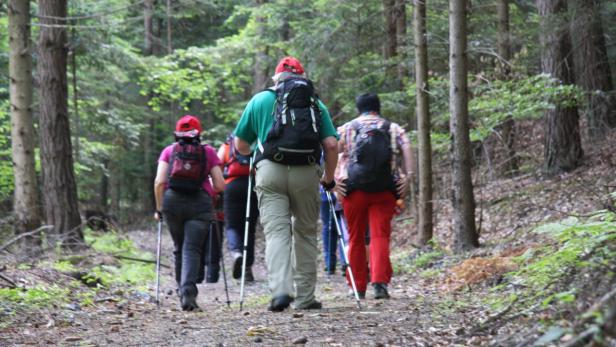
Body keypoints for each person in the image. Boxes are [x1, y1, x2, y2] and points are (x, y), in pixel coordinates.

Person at [233, 56, 338, 311]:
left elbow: (240, 145)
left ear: (276, 78)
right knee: (304, 232)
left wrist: (254, 154)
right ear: (301, 77)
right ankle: (305, 297)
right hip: (306, 172)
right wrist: (329, 178)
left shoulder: (260, 100)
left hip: (270, 171)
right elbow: (332, 144)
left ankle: (280, 291)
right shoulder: (315, 103)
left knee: (277, 232)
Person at [335, 93, 414, 300]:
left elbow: (331, 149)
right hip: (385, 189)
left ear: (358, 108)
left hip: (352, 190)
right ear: (378, 108)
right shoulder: (393, 128)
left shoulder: (346, 128)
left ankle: (357, 286)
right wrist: (409, 176)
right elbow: (407, 147)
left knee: (355, 237)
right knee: (380, 235)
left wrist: (334, 182)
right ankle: (379, 284)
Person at [154, 115, 225, 311]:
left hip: (172, 202)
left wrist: (159, 209)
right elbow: (220, 185)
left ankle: (181, 291)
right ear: (198, 133)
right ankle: (188, 293)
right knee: (192, 249)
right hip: (200, 203)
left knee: (179, 247)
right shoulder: (208, 152)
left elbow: (159, 182)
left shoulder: (169, 151)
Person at [217, 133, 259, 282]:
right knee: (250, 228)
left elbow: (219, 165)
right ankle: (247, 269)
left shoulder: (227, 145)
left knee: (232, 226)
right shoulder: (255, 145)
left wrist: (218, 190)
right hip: (253, 186)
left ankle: (236, 253)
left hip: (232, 186)